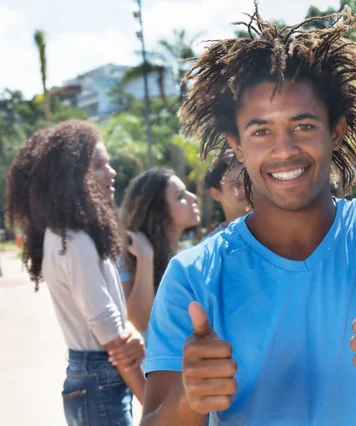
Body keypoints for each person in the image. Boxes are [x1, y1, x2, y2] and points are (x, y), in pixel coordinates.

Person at [140, 6, 356, 426]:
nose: (284, 149)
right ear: (236, 144)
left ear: (335, 131)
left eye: (303, 126)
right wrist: (186, 399)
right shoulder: (192, 276)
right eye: (261, 131)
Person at [5, 120, 145, 426]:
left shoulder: (69, 235)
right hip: (100, 377)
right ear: (70, 176)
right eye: (97, 165)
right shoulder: (74, 240)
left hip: (93, 377)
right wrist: (151, 400)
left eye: (107, 164)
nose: (111, 172)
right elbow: (107, 327)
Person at [119, 168, 201, 335]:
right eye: (180, 196)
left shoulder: (194, 254)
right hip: (152, 359)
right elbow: (138, 323)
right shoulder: (129, 259)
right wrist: (145, 258)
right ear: (160, 213)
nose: (193, 198)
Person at [203, 154, 249, 239]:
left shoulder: (277, 232)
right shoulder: (211, 247)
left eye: (248, 181)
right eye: (236, 185)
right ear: (215, 193)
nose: (245, 188)